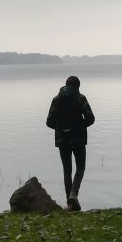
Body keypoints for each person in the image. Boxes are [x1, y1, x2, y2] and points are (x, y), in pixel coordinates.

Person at [46, 75, 95, 211]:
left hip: (62, 140)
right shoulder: (80, 98)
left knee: (67, 170)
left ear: (65, 85)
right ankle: (74, 194)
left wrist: (61, 129)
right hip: (78, 139)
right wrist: (79, 127)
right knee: (80, 168)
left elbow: (49, 121)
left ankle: (69, 203)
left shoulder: (56, 100)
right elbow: (91, 118)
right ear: (78, 87)